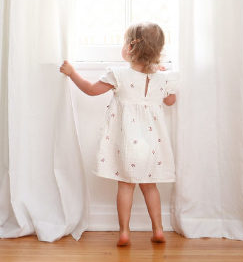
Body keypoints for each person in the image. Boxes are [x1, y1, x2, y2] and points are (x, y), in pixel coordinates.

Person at [60, 21, 177, 247]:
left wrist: (72, 72)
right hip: (153, 144)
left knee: (125, 186)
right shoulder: (162, 78)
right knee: (150, 186)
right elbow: (170, 101)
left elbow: (91, 90)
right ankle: (159, 230)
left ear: (131, 47)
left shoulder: (119, 75)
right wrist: (159, 76)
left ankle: (124, 232)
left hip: (127, 143)